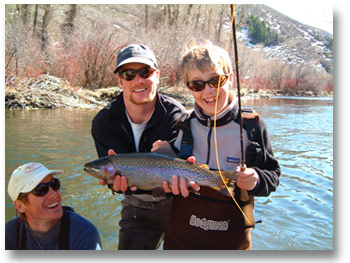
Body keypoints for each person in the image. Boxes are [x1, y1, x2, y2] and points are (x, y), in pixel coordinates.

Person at [154, 42, 281, 249]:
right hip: (180, 242)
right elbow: (167, 179)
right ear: (188, 88)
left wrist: (256, 179)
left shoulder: (252, 126)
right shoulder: (182, 125)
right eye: (197, 85)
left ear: (230, 78)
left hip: (232, 242)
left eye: (215, 80)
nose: (208, 91)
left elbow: (273, 175)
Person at [91, 44, 187, 249]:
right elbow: (113, 177)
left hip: (181, 201)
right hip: (137, 206)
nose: (138, 80)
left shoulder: (177, 116)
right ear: (119, 81)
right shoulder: (105, 121)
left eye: (146, 72)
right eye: (129, 74)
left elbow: (184, 162)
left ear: (157, 75)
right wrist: (112, 183)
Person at [5, 162, 102, 250]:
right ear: (20, 206)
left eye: (54, 184)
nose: (54, 194)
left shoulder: (84, 233)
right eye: (41, 189)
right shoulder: (8, 236)